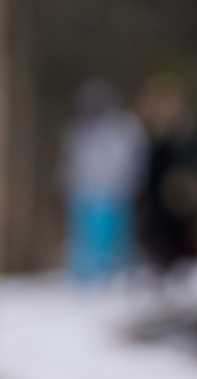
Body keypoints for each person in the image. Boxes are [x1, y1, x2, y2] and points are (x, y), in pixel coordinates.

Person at [60, 78, 148, 284]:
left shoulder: (123, 127)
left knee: (113, 238)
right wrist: (66, 184)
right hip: (82, 192)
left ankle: (115, 276)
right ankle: (85, 278)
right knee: (84, 239)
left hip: (114, 192)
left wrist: (131, 184)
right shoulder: (77, 129)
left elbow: (133, 160)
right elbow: (70, 162)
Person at [134, 73, 197, 272]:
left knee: (183, 233)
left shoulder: (183, 132)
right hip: (156, 193)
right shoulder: (146, 134)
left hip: (178, 191)